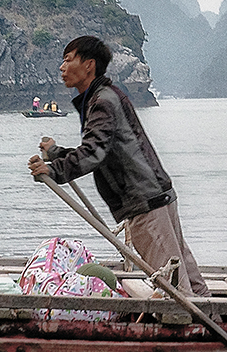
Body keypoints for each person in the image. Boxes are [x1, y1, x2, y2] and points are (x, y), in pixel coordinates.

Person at [26, 35, 209, 297]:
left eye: (68, 60)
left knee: (175, 291)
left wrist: (53, 170)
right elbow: (101, 151)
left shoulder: (102, 101)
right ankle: (213, 316)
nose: (62, 67)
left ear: (89, 65)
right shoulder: (101, 98)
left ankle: (199, 322)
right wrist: (55, 154)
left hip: (146, 203)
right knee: (186, 277)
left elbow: (93, 153)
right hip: (156, 196)